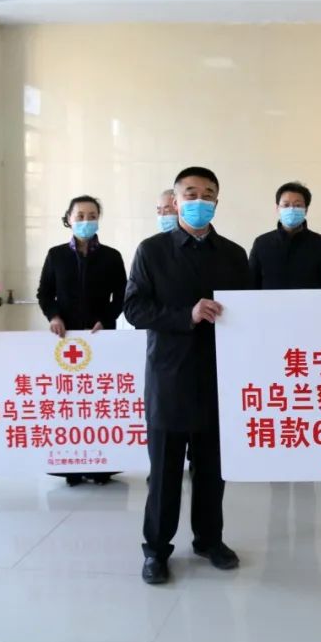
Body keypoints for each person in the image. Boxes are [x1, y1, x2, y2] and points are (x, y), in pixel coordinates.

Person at [125, 166, 250, 585]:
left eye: (208, 194)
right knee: (164, 473)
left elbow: (251, 311)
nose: (200, 201)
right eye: (191, 194)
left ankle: (209, 541)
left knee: (212, 471)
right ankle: (156, 550)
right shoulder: (152, 251)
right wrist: (186, 315)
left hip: (219, 377)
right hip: (170, 377)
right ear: (176, 201)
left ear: (217, 202)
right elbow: (134, 309)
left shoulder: (233, 254)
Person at [37, 195, 128, 486]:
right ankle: (71, 467)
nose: (86, 221)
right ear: (69, 219)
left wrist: (107, 318)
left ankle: (102, 467)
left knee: (100, 402)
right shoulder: (56, 255)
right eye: (80, 216)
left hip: (100, 337)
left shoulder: (112, 256)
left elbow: (123, 295)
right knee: (70, 402)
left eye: (92, 216)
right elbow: (44, 294)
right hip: (65, 340)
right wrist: (54, 316)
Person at [249, 182, 321, 290]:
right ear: (277, 208)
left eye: (298, 205)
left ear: (306, 209)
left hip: (310, 301)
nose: (291, 209)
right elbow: (250, 286)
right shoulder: (261, 243)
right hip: (270, 302)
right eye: (286, 205)